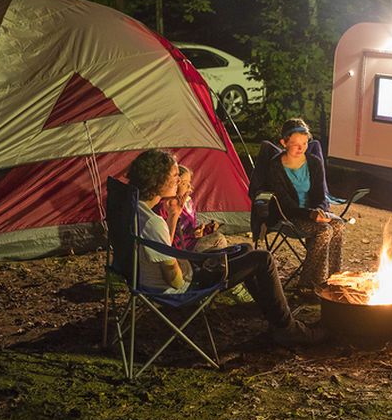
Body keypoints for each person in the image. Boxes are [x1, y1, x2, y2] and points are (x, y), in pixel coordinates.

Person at [127, 149, 327, 346]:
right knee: (263, 259)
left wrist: (173, 217)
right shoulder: (153, 223)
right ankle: (287, 328)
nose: (178, 180)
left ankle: (273, 315)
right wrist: (191, 263)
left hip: (157, 276)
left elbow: (163, 249)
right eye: (174, 175)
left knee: (246, 249)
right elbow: (176, 280)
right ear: (158, 180)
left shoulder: (135, 208)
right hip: (182, 286)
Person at [262, 117, 344, 292]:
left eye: (305, 143)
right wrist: (309, 214)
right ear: (284, 143)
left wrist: (320, 211)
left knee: (338, 224)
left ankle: (332, 279)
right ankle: (309, 285)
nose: (301, 148)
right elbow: (284, 204)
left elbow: (321, 195)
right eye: (295, 144)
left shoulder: (314, 163)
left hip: (312, 214)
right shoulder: (275, 167)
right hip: (287, 216)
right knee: (324, 231)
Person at [156, 164, 228, 253]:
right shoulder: (165, 206)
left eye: (189, 182)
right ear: (174, 184)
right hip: (181, 248)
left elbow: (189, 231)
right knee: (219, 239)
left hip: (190, 242)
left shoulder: (188, 202)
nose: (189, 187)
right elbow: (167, 239)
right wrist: (175, 214)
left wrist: (202, 231)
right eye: (184, 183)